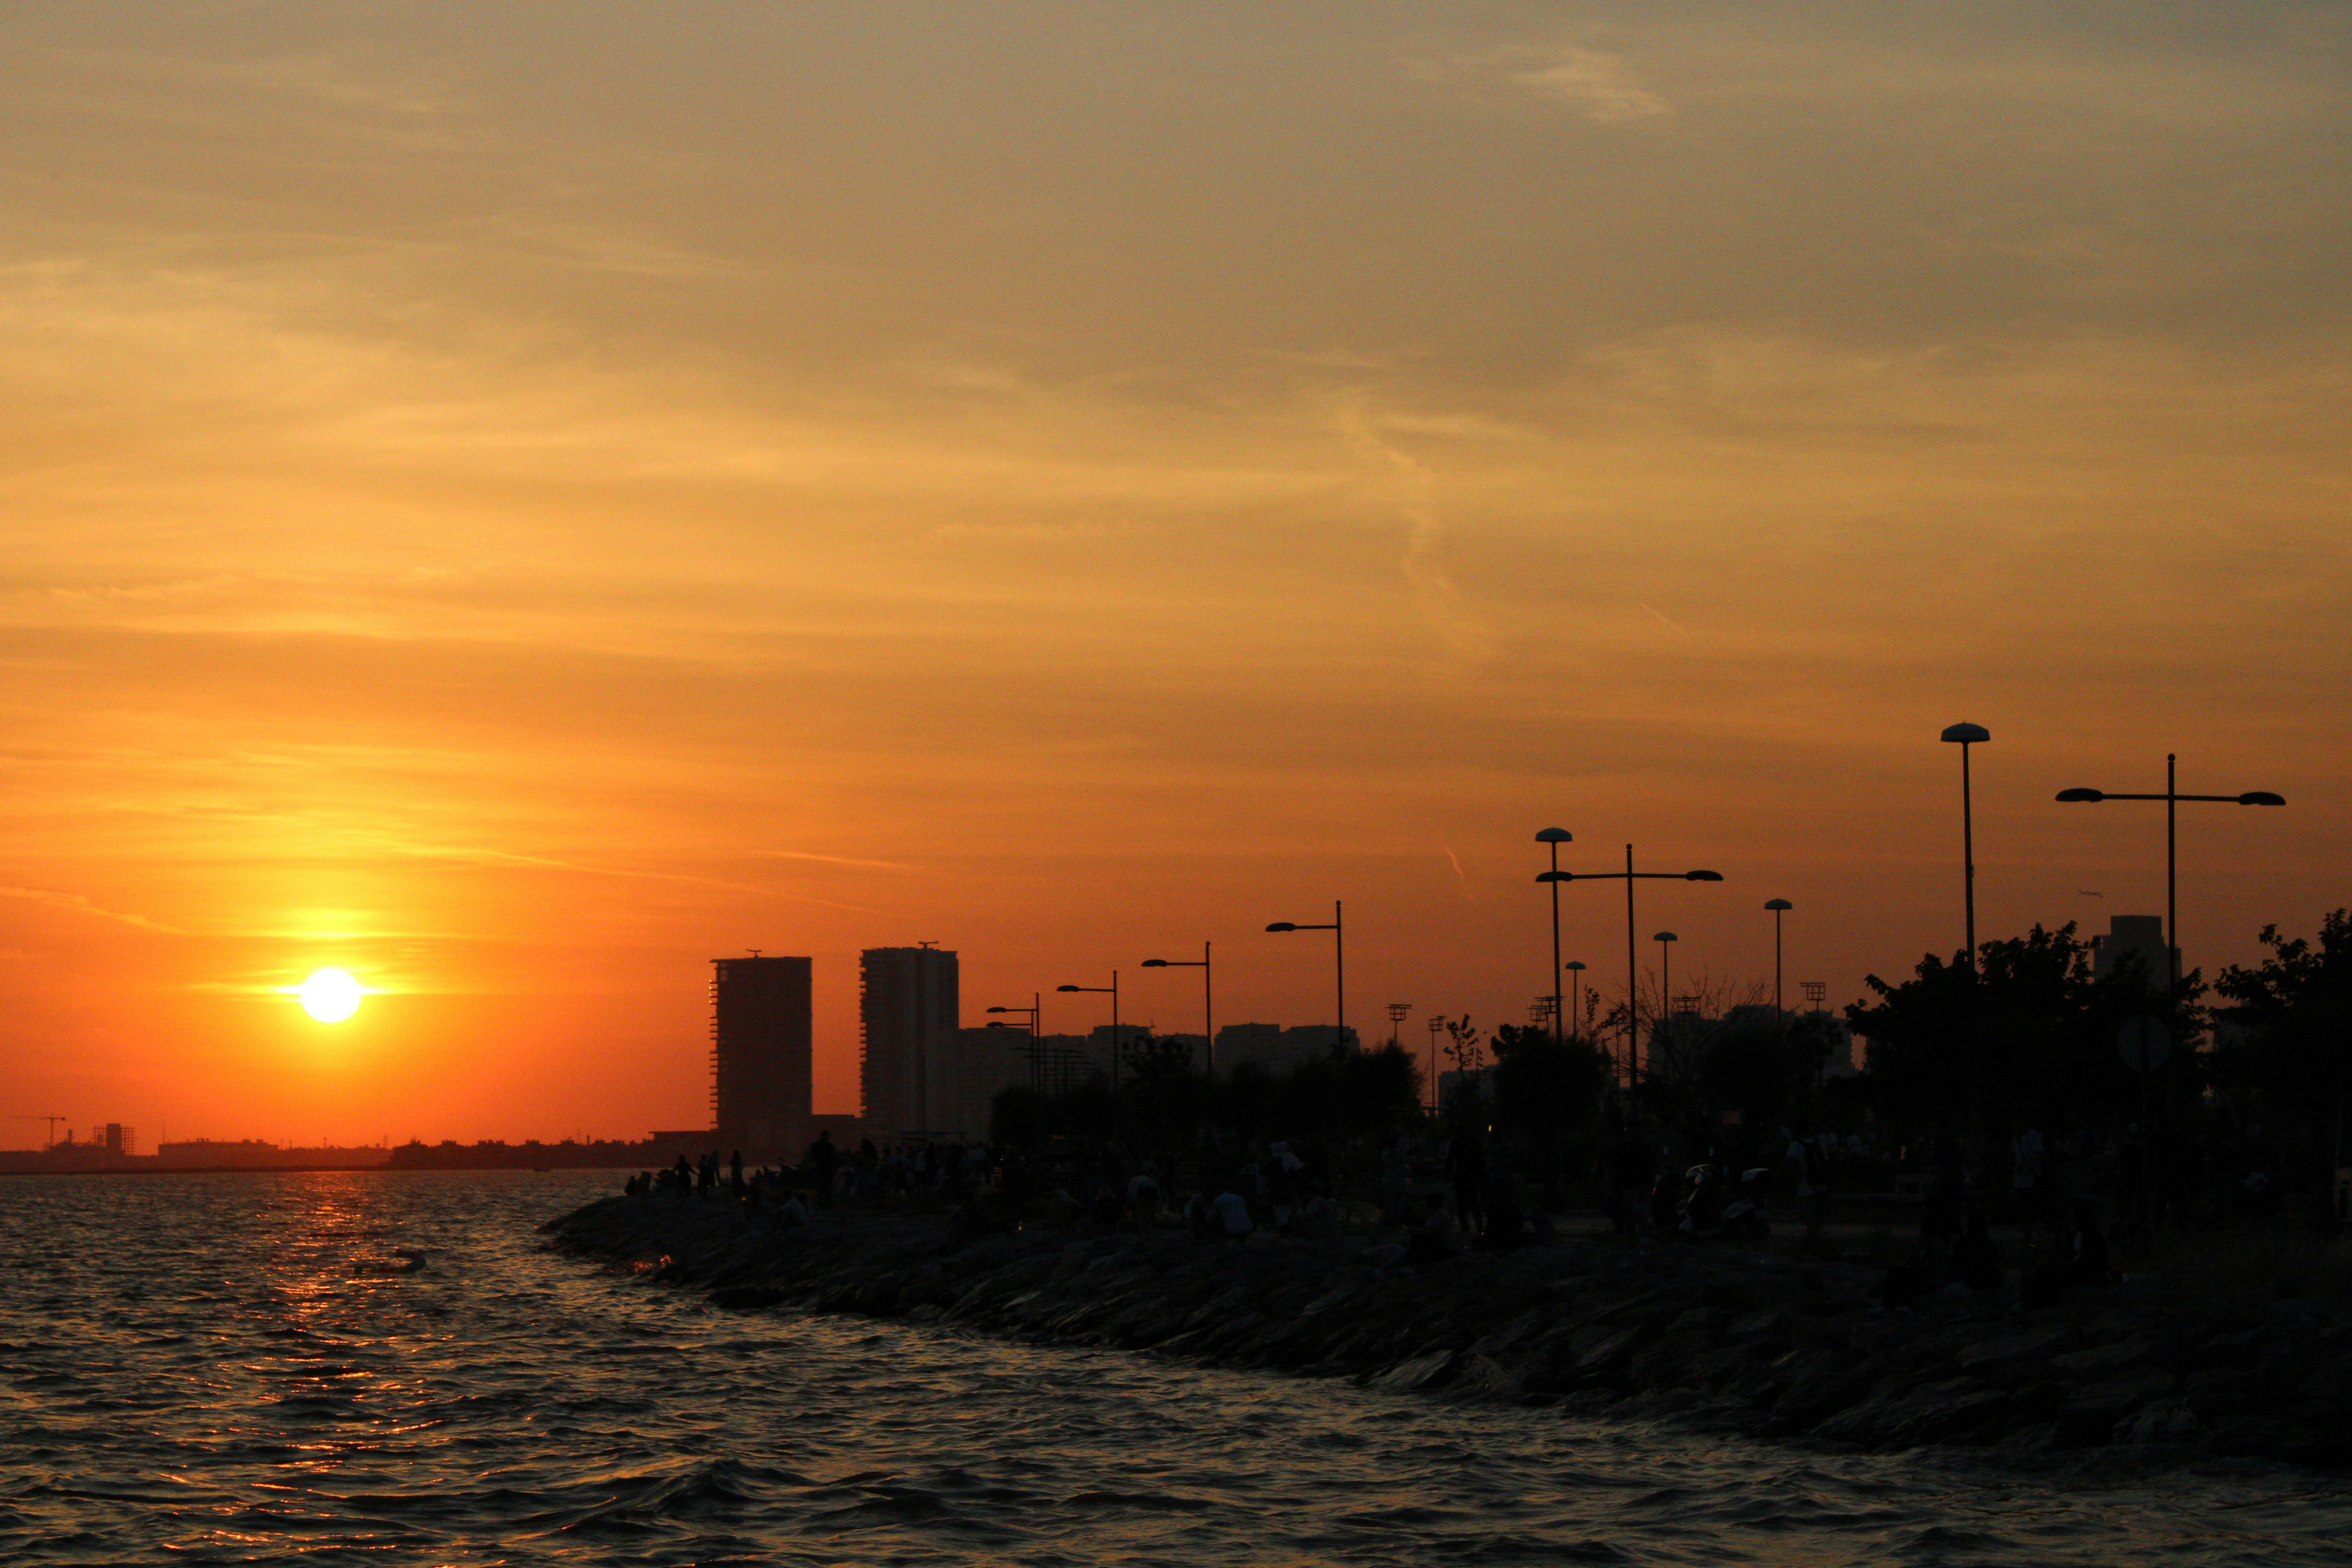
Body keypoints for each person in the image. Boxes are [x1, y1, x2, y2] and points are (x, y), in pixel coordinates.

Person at [1787, 1124, 1832, 1245]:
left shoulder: (1795, 1146)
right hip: (1822, 1186)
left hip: (1805, 1187)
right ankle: (1817, 1243)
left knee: (1809, 1219)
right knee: (1819, 1219)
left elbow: (1791, 1165)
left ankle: (1812, 1244)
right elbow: (1827, 1163)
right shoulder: (1819, 1144)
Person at [1445, 1125, 1487, 1236]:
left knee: (1461, 1204)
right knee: (1474, 1203)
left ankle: (1465, 1228)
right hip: (1473, 1175)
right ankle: (1480, 1227)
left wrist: (1447, 1175)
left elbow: (1450, 1160)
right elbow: (1481, 1159)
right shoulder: (1475, 1142)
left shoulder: (1456, 1143)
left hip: (1461, 1176)